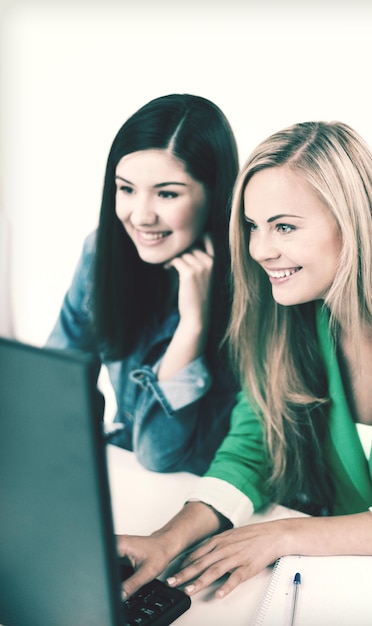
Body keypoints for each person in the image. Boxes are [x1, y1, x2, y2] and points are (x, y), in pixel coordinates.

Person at [117, 120, 372, 601]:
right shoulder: (292, 319)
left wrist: (284, 537)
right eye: (254, 227)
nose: (259, 249)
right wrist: (166, 540)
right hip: (344, 588)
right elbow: (252, 449)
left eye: (284, 227)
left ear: (354, 221)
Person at [47, 94, 240, 474]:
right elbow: (56, 386)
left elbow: (161, 453)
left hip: (205, 494)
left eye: (167, 193)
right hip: (128, 476)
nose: (141, 216)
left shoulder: (255, 285)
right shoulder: (101, 252)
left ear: (215, 192)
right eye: (126, 189)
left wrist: (193, 326)